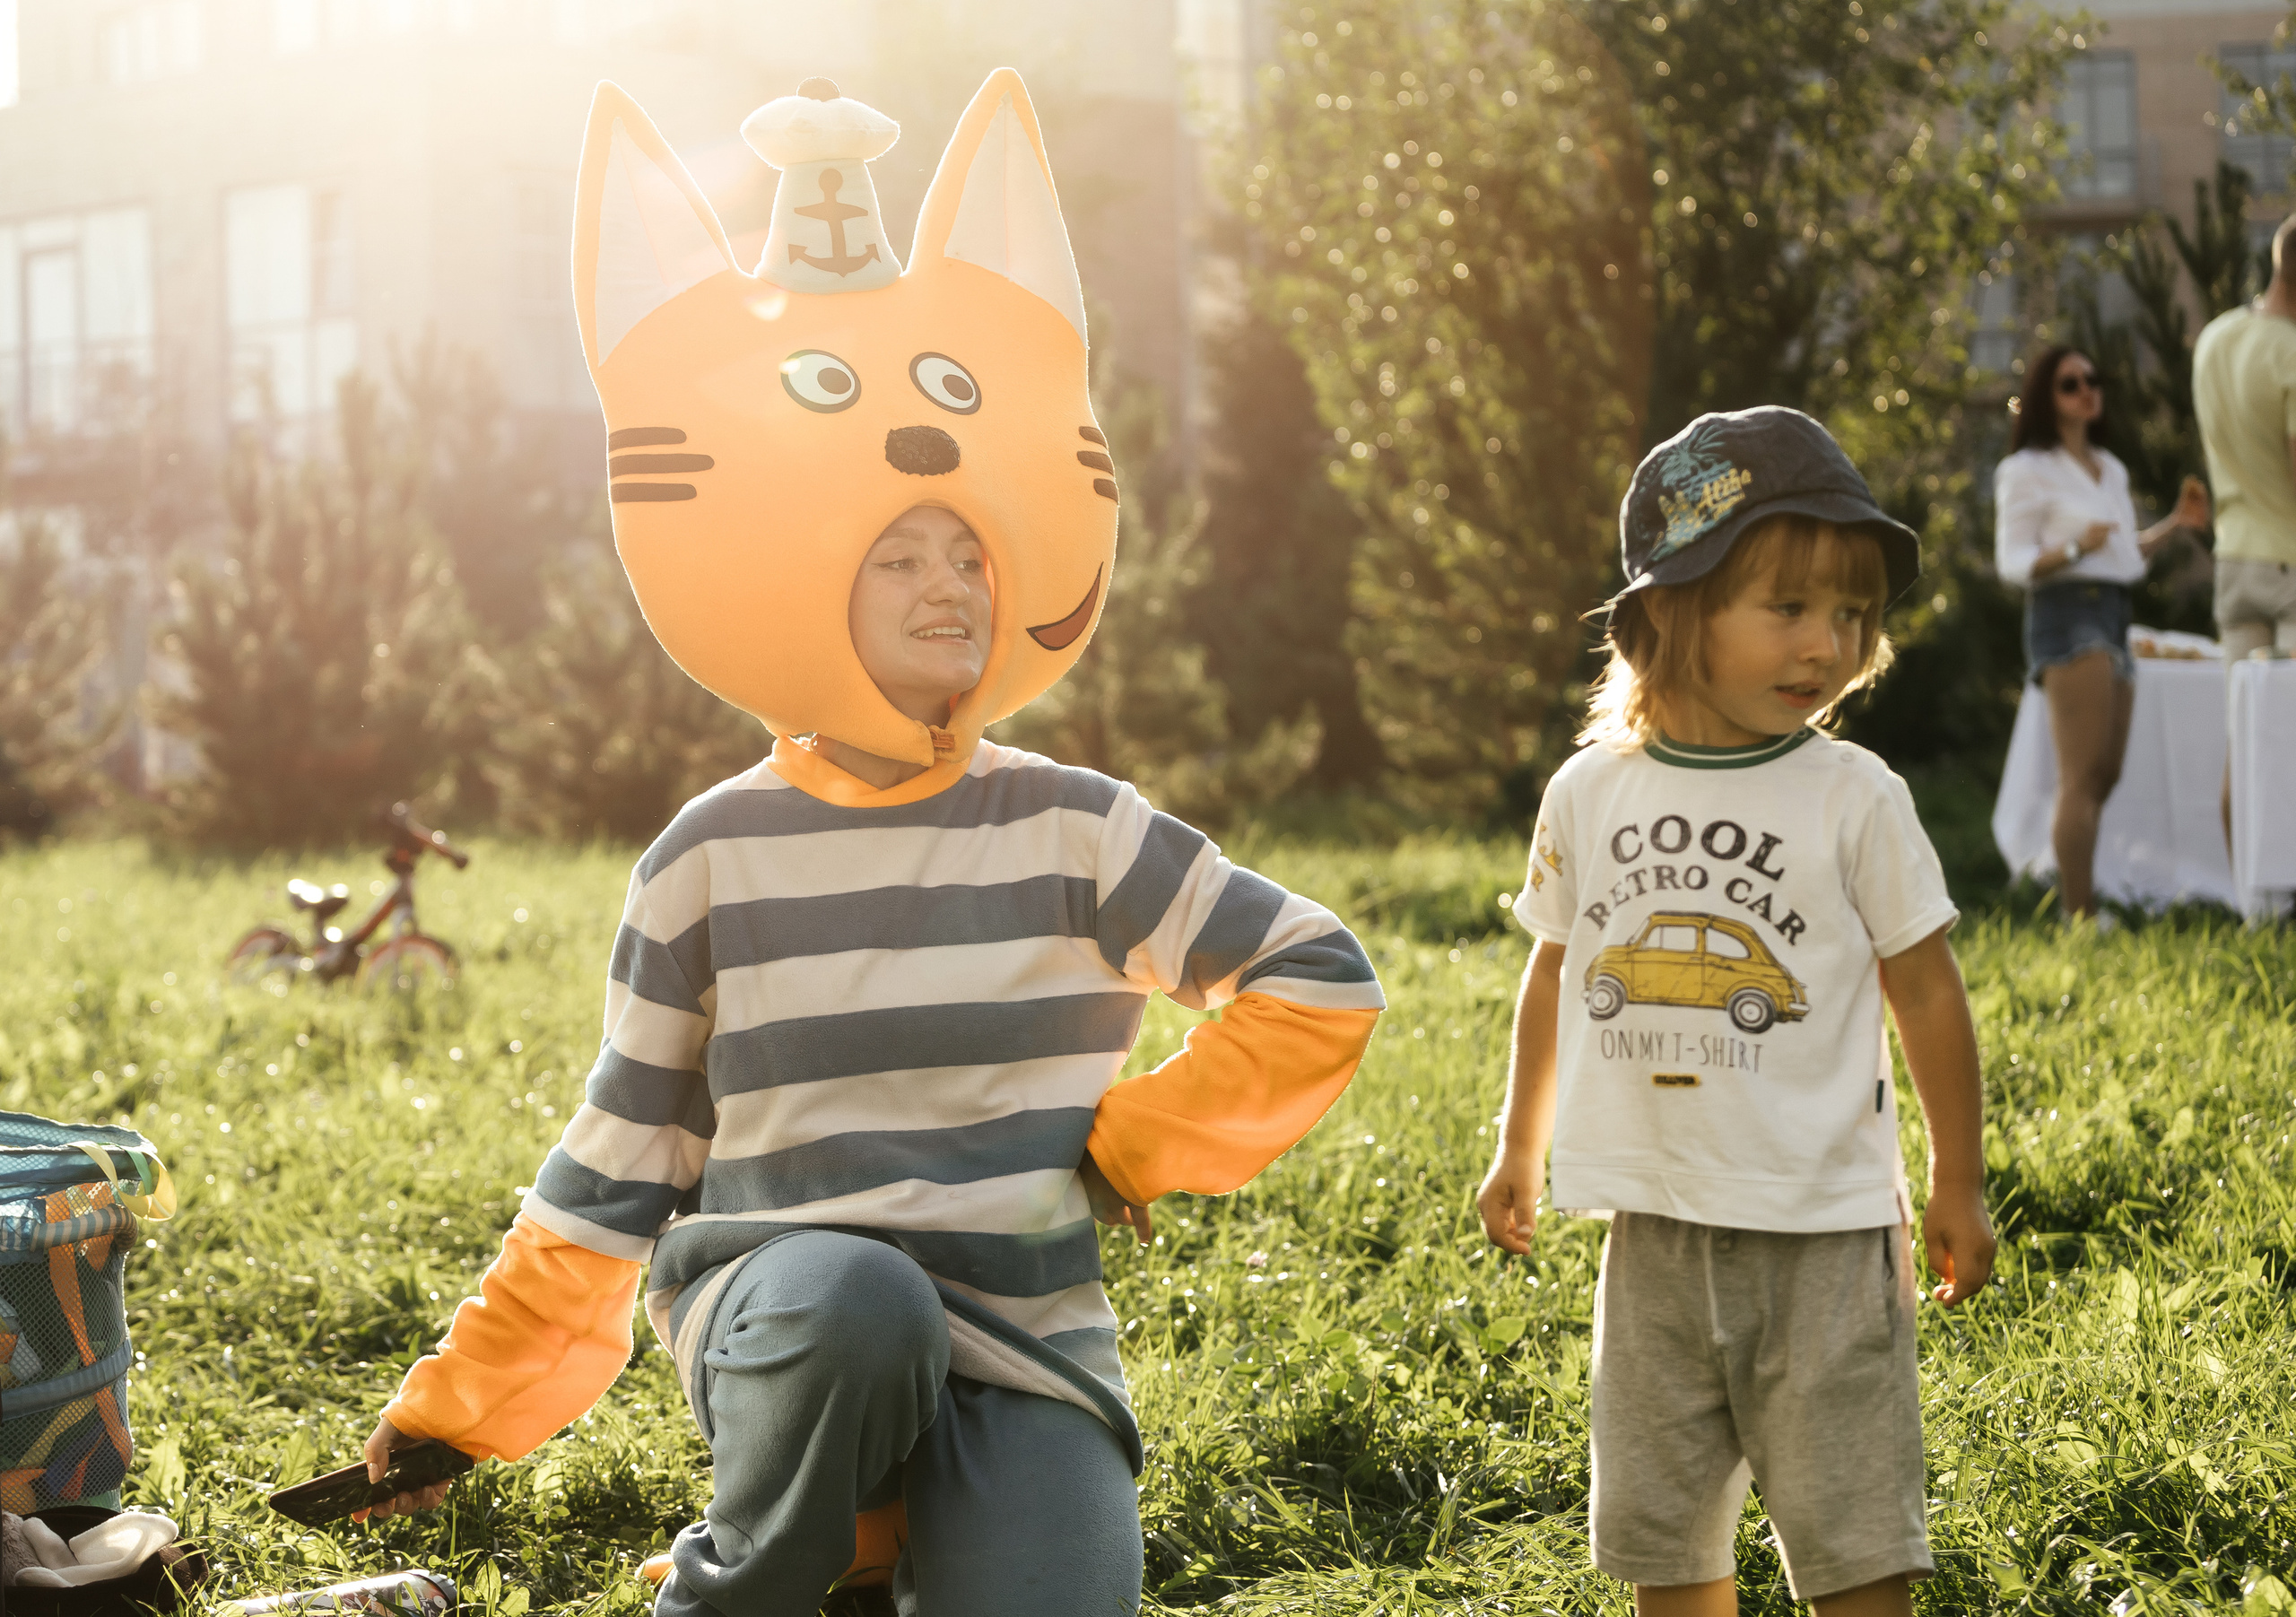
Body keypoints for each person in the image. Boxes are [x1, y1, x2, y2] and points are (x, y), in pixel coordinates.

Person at [347, 74, 1387, 1617]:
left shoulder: (1078, 826)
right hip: (790, 1314)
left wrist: (1133, 1145)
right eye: (898, 551)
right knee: (856, 1295)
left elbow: (1321, 975)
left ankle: (900, 1549)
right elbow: (618, 1162)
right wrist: (459, 1401)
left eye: (967, 549)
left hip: (1026, 1347)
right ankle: (754, 1576)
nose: (947, 580)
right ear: (795, 551)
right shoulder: (709, 855)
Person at [1477, 407, 1996, 1617]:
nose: (1830, 642)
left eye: (1855, 615)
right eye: (1791, 605)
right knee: (1665, 1540)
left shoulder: (1854, 796)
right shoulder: (1591, 791)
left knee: (1856, 1537)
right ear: (1678, 608)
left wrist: (1957, 1177)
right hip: (1650, 1229)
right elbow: (1556, 968)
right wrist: (1519, 1143)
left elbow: (1926, 987)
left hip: (1820, 1229)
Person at [1994, 345, 2209, 918]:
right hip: (2066, 611)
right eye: (2071, 382)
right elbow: (2013, 562)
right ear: (2047, 396)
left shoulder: (2109, 468)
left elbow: (2120, 553)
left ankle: (2078, 892)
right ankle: (2079, 915)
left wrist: (2174, 527)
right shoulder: (2025, 470)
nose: (2088, 389)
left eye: (2093, 377)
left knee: (2105, 773)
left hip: (2115, 609)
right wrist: (2070, 549)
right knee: (2081, 776)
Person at [2192, 214, 2296, 855]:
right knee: (2288, 737)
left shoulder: (2217, 336)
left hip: (2234, 561)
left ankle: (2248, 902)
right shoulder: (2290, 352)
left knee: (2247, 737)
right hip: (2289, 564)